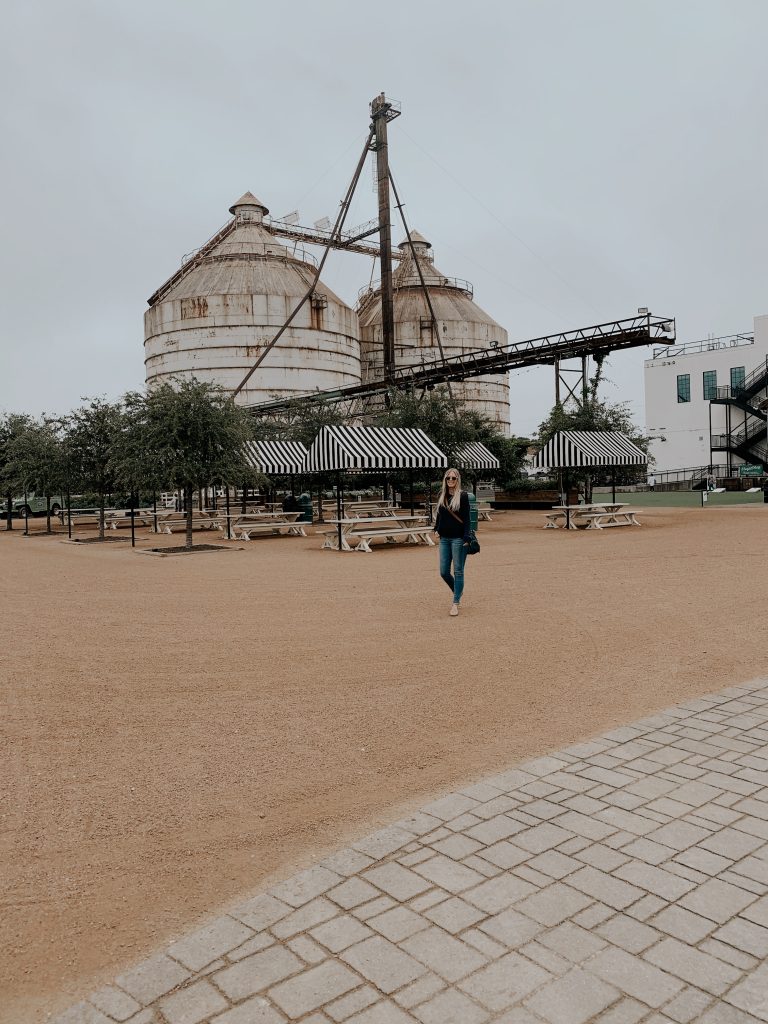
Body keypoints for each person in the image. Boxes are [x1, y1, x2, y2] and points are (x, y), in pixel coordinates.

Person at [433, 468, 471, 616]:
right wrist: (436, 528)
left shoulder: (462, 496)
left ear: (457, 480)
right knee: (443, 572)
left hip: (458, 539)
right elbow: (440, 515)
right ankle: (458, 591)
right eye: (448, 478)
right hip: (444, 539)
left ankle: (455, 603)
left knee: (458, 570)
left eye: (453, 478)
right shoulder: (442, 496)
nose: (450, 480)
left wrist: (467, 536)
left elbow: (467, 518)